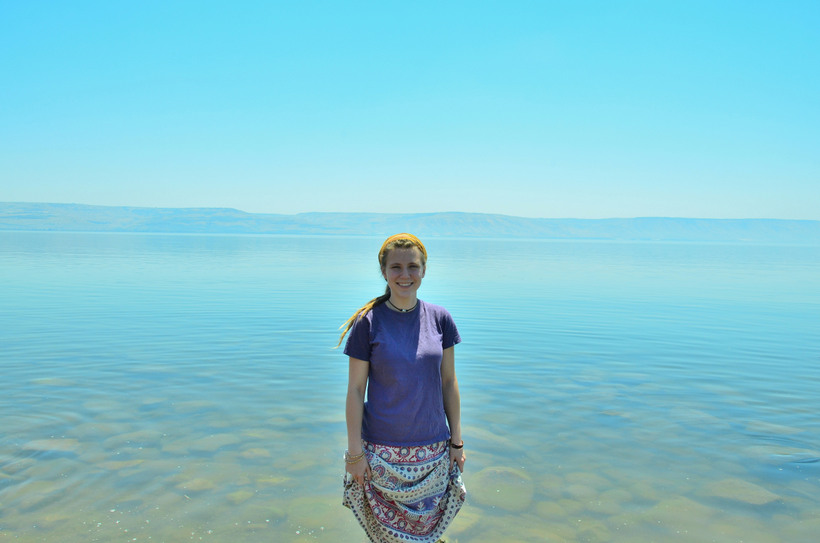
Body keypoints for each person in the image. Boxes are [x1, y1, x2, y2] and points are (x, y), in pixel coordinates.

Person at [338, 233, 466, 543]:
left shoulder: (441, 319)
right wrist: (355, 453)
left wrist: (457, 442)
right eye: (396, 267)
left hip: (433, 451)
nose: (405, 275)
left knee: (427, 535)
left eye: (413, 266)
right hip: (381, 453)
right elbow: (356, 390)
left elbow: (448, 382)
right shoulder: (367, 323)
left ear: (424, 270)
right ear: (383, 271)